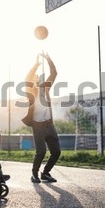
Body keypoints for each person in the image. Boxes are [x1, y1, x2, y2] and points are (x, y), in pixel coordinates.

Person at [22, 53, 61, 183]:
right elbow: (27, 77)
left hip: (49, 125)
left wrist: (48, 59)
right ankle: (34, 174)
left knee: (56, 152)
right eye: (35, 76)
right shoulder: (30, 91)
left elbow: (54, 72)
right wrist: (36, 64)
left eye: (37, 75)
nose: (36, 76)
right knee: (41, 151)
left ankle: (45, 173)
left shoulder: (45, 87)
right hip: (37, 125)